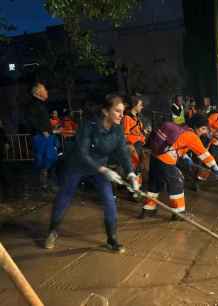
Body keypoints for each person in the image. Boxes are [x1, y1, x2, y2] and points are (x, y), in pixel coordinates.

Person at [44, 94, 139, 253]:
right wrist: (104, 169)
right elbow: (82, 152)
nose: (122, 115)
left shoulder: (117, 129)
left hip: (100, 169)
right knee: (64, 196)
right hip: (78, 165)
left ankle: (112, 238)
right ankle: (52, 230)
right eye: (117, 111)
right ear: (105, 111)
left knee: (109, 200)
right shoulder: (88, 125)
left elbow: (123, 151)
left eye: (123, 111)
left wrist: (130, 174)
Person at [139, 114, 218, 220]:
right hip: (166, 161)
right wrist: (216, 168)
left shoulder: (182, 127)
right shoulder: (192, 136)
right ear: (197, 127)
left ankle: (148, 209)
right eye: (203, 129)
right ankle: (179, 213)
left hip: (155, 157)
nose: (204, 132)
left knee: (155, 184)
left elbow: (176, 145)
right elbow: (204, 154)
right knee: (177, 183)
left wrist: (185, 156)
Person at [26, 82, 59, 191]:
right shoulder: (33, 105)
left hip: (46, 136)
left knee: (49, 159)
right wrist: (42, 130)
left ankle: (46, 183)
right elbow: (31, 120)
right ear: (38, 92)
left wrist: (50, 129)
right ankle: (42, 184)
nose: (46, 91)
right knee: (43, 160)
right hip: (41, 137)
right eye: (44, 89)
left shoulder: (40, 104)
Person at [122, 94, 146, 193]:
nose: (142, 107)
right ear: (134, 105)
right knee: (135, 168)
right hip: (133, 147)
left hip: (139, 146)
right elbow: (125, 135)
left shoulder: (137, 118)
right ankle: (132, 190)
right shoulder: (127, 118)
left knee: (138, 168)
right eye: (140, 105)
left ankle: (136, 188)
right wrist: (132, 148)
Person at [0, 120, 9, 202]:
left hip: (1, 155)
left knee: (3, 175)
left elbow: (6, 142)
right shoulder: (2, 130)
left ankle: (5, 195)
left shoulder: (2, 131)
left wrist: (5, 150)